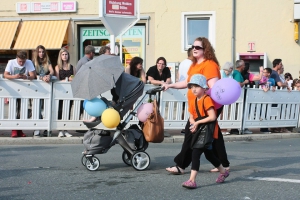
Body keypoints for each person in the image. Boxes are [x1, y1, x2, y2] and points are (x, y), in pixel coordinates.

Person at [164, 37, 230, 174]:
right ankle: (223, 164)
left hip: (205, 106)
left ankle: (181, 166)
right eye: (193, 46)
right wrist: (169, 85)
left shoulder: (210, 65)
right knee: (214, 134)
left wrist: (203, 100)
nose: (194, 49)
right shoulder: (194, 65)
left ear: (205, 50)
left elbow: (213, 88)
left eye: (198, 47)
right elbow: (186, 83)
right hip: (196, 106)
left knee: (191, 133)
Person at [181, 74, 229, 189]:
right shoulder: (194, 100)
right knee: (209, 155)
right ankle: (223, 172)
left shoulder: (206, 99)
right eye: (192, 86)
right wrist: (193, 122)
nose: (194, 89)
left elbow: (212, 117)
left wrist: (197, 123)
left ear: (204, 88)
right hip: (200, 131)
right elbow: (191, 116)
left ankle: (192, 180)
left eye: (197, 86)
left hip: (207, 132)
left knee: (196, 152)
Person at [4, 51, 36, 137]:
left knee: (22, 110)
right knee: (13, 109)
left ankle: (20, 130)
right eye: (20, 61)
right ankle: (14, 130)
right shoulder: (11, 62)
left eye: (23, 61)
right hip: (13, 89)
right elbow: (5, 75)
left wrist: (27, 77)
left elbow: (33, 75)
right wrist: (14, 77)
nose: (21, 63)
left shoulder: (29, 62)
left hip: (24, 90)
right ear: (16, 58)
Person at [32, 45, 54, 137]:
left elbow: (52, 71)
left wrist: (49, 75)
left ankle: (46, 128)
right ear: (37, 53)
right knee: (36, 108)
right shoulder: (33, 62)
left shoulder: (47, 61)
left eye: (43, 52)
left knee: (46, 108)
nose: (41, 54)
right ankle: (36, 129)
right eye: (39, 52)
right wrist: (41, 77)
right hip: (36, 87)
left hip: (46, 87)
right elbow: (32, 74)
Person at [55, 48, 75, 137]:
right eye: (63, 54)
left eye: (66, 54)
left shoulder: (72, 67)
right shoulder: (57, 67)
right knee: (60, 110)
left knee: (68, 110)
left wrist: (72, 78)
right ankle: (60, 130)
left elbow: (76, 78)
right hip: (61, 91)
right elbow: (57, 80)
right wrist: (66, 79)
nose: (64, 56)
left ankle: (65, 129)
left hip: (70, 91)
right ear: (60, 56)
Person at [230, 60, 251, 134]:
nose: (244, 67)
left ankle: (235, 128)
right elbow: (238, 84)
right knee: (236, 112)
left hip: (238, 96)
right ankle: (234, 128)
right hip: (237, 96)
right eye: (244, 65)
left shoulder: (237, 73)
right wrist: (245, 82)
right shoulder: (237, 73)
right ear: (241, 66)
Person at [259, 68, 276, 134]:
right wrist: (263, 87)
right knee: (262, 112)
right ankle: (262, 127)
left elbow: (274, 86)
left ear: (268, 73)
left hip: (269, 98)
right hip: (261, 98)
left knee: (267, 112)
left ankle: (265, 127)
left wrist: (274, 87)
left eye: (264, 72)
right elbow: (260, 84)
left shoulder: (272, 80)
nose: (263, 73)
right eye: (263, 72)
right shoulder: (262, 78)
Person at [219, 62, 234, 135]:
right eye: (230, 68)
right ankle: (221, 128)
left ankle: (224, 128)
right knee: (221, 112)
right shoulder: (221, 73)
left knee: (226, 111)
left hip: (227, 95)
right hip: (220, 94)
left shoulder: (230, 74)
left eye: (231, 69)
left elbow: (231, 82)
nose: (231, 70)